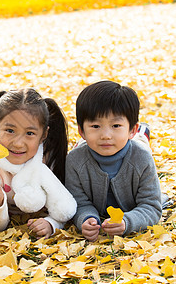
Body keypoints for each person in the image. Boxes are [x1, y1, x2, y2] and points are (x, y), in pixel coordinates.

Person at [65, 80, 163, 242]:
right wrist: (86, 218)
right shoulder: (75, 160)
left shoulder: (142, 158)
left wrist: (128, 221)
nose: (106, 135)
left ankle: (142, 134)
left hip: (134, 147)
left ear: (132, 129)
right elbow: (78, 202)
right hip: (85, 149)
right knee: (82, 149)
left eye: (116, 125)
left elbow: (151, 206)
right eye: (95, 126)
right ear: (81, 131)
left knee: (140, 145)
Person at [0, 88, 77, 238]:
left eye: (30, 133)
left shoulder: (46, 158)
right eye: (10, 130)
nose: (18, 143)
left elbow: (62, 207)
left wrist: (51, 223)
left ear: (44, 135)